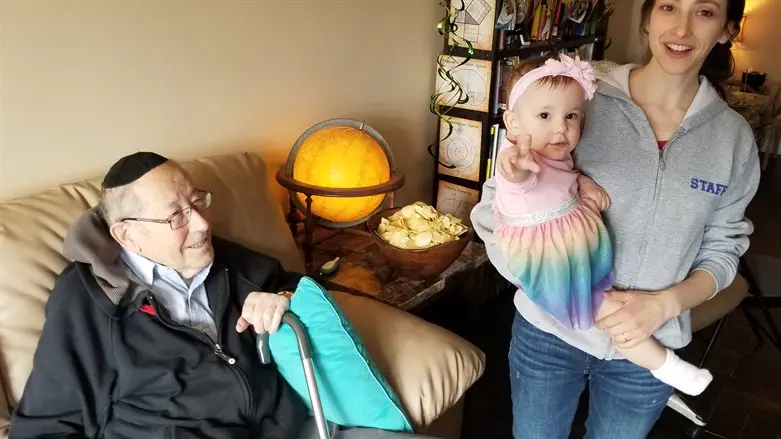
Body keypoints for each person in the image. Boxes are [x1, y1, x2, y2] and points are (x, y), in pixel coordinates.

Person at [471, 0, 759, 437]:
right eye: (667, 7)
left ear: (726, 29)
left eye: (704, 12)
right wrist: (553, 287)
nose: (680, 28)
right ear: (646, 19)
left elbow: (726, 245)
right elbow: (499, 210)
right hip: (549, 335)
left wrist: (667, 304)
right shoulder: (579, 97)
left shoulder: (732, 138)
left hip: (651, 346)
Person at [9, 152, 432, 439]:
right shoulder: (86, 299)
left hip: (291, 426)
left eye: (198, 201)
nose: (202, 224)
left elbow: (301, 288)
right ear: (127, 234)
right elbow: (47, 423)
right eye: (176, 215)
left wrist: (282, 295)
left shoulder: (230, 261)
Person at [492, 52, 712, 397]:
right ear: (513, 123)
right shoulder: (520, 160)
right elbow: (517, 179)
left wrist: (582, 182)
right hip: (550, 261)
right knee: (613, 312)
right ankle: (667, 366)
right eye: (545, 115)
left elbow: (561, 177)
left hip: (571, 250)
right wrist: (516, 169)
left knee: (608, 304)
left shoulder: (555, 152)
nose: (561, 128)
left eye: (572, 116)